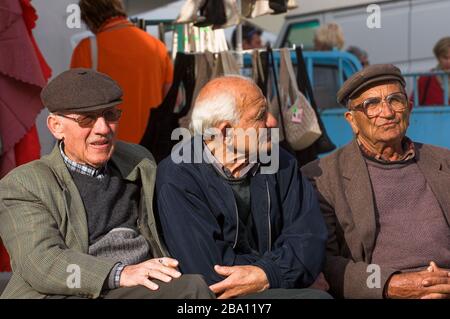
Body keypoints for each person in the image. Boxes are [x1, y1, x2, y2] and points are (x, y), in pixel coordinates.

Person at [0, 69, 214, 299]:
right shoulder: (24, 184)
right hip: (68, 291)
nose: (102, 129)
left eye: (110, 115)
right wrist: (118, 273)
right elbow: (41, 262)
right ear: (56, 126)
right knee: (192, 290)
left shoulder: (138, 161)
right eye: (87, 119)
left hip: (140, 285)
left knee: (204, 285)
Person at [155, 75, 330, 299]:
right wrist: (280, 273)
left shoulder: (282, 162)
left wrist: (271, 273)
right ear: (225, 132)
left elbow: (309, 238)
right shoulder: (178, 177)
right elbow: (210, 268)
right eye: (260, 116)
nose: (273, 121)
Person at [302, 64, 450, 299]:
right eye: (372, 105)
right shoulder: (322, 177)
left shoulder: (445, 161)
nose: (388, 112)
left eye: (395, 100)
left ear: (409, 109)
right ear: (352, 120)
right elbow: (324, 262)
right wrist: (389, 285)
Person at [71, 0, 174, 144]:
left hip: (107, 144)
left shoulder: (87, 48)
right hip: (151, 145)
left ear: (89, 17)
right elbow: (172, 98)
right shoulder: (157, 46)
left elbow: (75, 102)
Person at [415, 36, 450, 106]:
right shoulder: (426, 79)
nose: (449, 61)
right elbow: (411, 107)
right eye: (445, 57)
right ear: (438, 57)